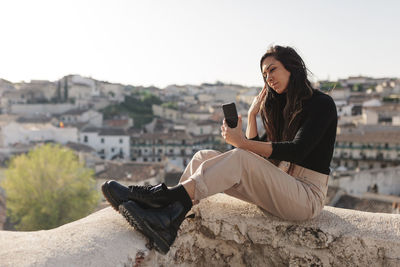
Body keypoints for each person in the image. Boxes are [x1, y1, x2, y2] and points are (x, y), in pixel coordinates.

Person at [102, 45, 338, 255]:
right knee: (202, 157)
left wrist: (242, 143)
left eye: (272, 70)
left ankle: (164, 200)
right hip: (282, 187)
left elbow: (297, 150)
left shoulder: (322, 104)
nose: (268, 78)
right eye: (264, 75)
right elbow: (260, 159)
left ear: (292, 67)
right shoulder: (283, 108)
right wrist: (253, 115)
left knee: (239, 158)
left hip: (306, 197)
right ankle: (168, 220)